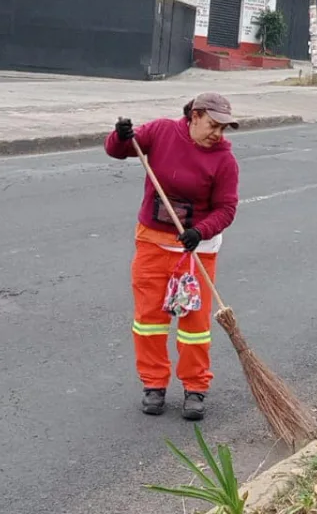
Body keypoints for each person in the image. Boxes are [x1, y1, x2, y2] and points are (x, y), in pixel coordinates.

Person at [105, 93, 240, 421]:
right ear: (194, 116)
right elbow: (120, 150)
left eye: (223, 128)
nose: (217, 134)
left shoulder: (224, 160)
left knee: (194, 324)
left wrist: (201, 231)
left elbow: (226, 208)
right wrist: (120, 136)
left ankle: (195, 387)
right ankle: (153, 384)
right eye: (212, 125)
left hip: (196, 252)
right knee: (149, 319)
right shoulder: (162, 132)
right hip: (152, 245)